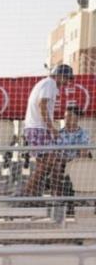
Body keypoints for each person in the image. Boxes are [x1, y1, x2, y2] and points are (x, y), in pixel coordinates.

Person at [22, 64, 74, 197]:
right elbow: (42, 104)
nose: (67, 83)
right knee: (48, 161)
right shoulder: (50, 83)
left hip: (36, 127)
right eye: (67, 79)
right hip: (38, 128)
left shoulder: (47, 83)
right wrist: (51, 128)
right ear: (60, 76)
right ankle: (26, 194)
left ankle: (32, 195)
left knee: (44, 163)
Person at [50, 105, 92, 196]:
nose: (66, 119)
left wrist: (71, 160)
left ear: (77, 118)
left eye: (69, 116)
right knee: (55, 165)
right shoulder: (58, 134)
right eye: (65, 117)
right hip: (61, 162)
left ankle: (75, 196)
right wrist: (62, 159)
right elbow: (54, 153)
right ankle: (57, 197)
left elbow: (83, 154)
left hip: (76, 162)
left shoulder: (83, 134)